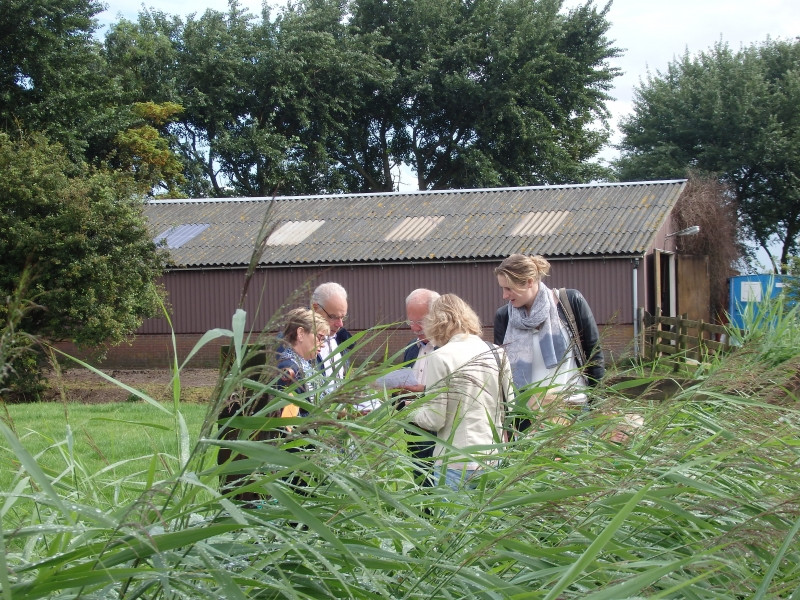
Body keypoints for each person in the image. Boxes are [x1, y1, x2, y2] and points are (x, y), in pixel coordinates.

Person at [410, 294, 513, 490]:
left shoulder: (440, 357)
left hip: (455, 461)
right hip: (494, 458)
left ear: (436, 322)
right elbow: (509, 407)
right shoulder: (497, 353)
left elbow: (434, 419)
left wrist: (410, 409)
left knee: (452, 521)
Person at [493, 254, 604, 422]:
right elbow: (503, 371)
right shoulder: (504, 317)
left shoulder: (571, 302)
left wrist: (599, 406)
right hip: (529, 415)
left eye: (509, 288)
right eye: (502, 289)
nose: (504, 295)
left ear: (530, 281)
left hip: (575, 409)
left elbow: (594, 355)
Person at [399, 288, 440, 486]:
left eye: (421, 321)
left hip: (439, 433)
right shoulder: (410, 349)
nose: (415, 328)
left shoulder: (449, 350)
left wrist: (423, 390)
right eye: (411, 321)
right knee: (420, 485)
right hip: (413, 431)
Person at [311, 282, 352, 383]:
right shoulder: (295, 343)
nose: (340, 324)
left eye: (342, 317)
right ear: (315, 308)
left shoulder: (337, 339)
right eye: (333, 317)